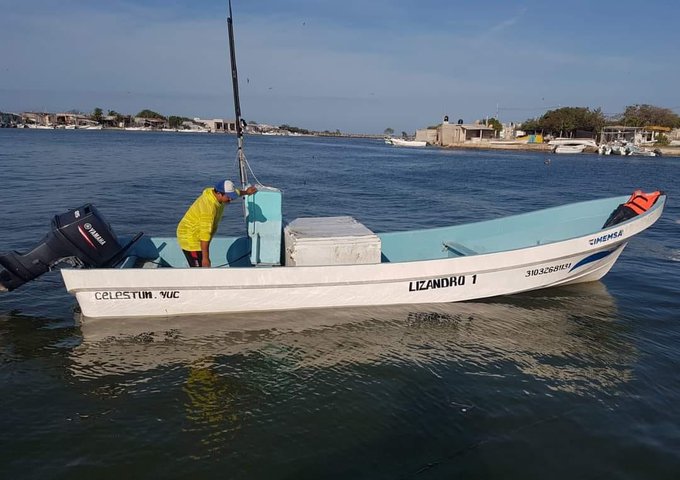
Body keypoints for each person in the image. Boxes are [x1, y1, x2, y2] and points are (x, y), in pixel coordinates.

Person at [177, 179, 257, 267]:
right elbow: (204, 236)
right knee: (199, 270)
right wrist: (206, 259)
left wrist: (246, 192)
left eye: (232, 196)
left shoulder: (218, 194)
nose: (230, 199)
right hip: (190, 237)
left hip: (197, 234)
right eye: (229, 197)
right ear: (219, 193)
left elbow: (236, 192)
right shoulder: (209, 209)